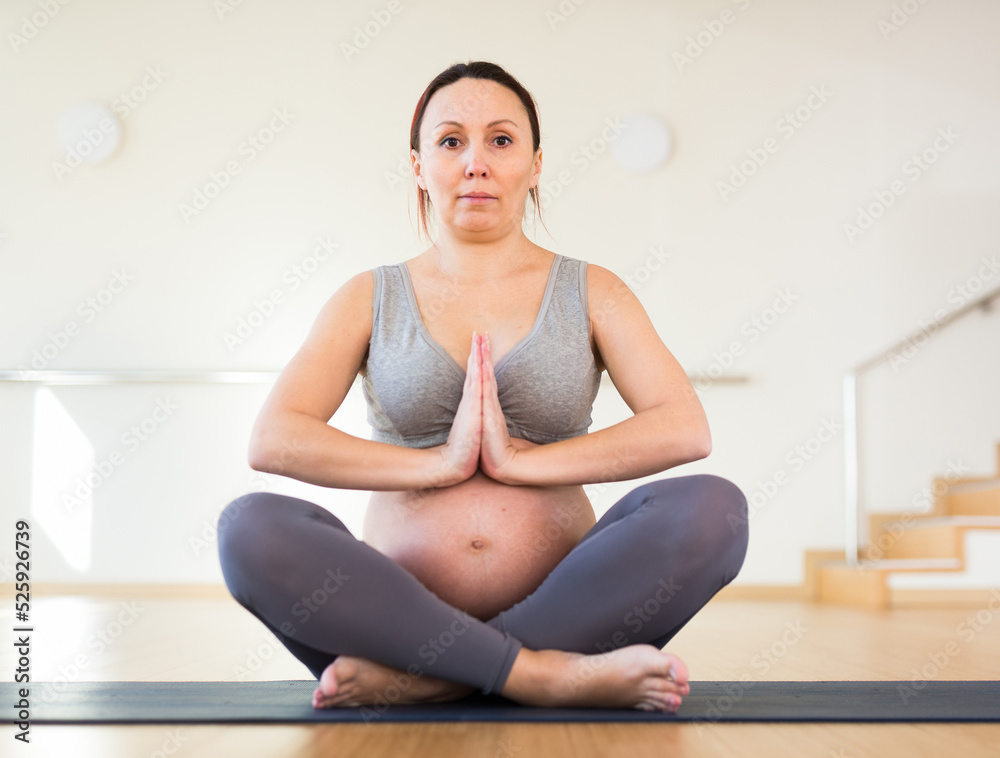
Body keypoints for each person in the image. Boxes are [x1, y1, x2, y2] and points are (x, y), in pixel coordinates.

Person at [217, 60, 748, 714]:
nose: (476, 163)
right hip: (389, 623)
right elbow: (275, 439)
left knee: (714, 509)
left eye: (500, 140)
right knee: (248, 528)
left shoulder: (594, 291)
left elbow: (684, 427)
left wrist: (521, 461)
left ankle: (436, 677)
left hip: (564, 614)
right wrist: (440, 464)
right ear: (418, 167)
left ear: (535, 163)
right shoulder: (367, 296)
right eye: (451, 142)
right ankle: (540, 675)